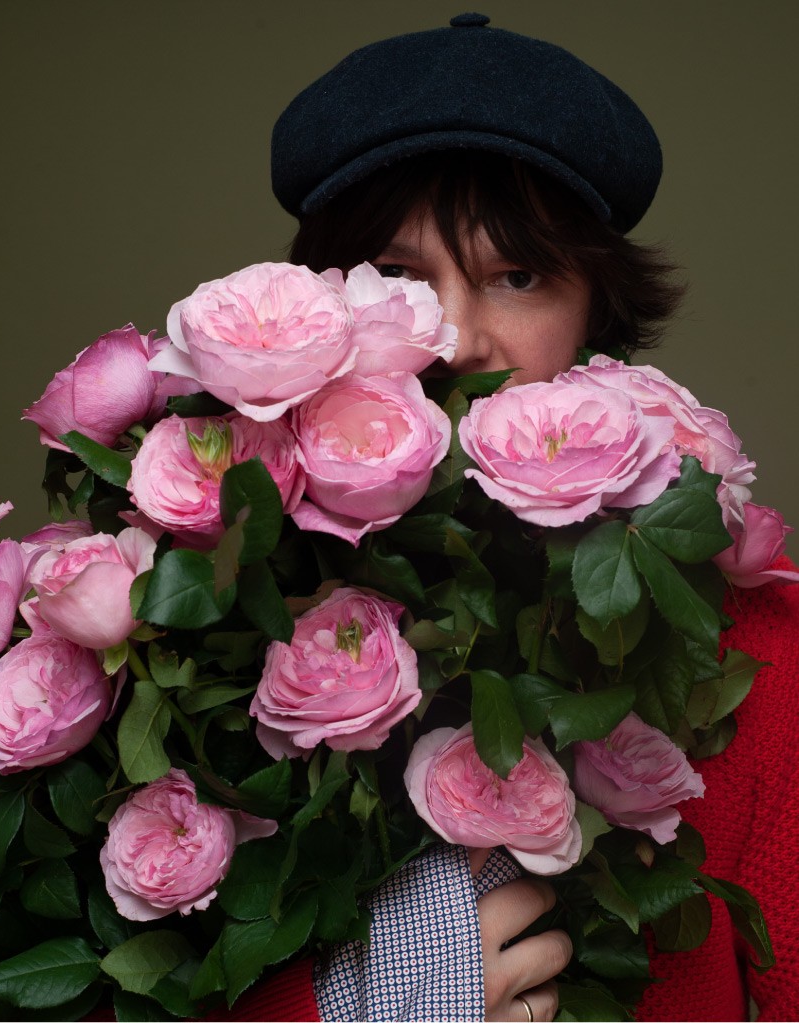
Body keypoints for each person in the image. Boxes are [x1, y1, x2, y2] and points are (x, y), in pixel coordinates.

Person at [226, 14, 799, 1022]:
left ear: (594, 313)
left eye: (517, 277)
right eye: (398, 276)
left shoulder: (752, 653)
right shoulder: (214, 629)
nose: (456, 340)